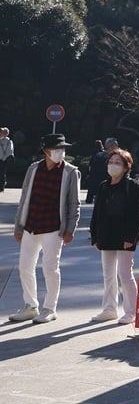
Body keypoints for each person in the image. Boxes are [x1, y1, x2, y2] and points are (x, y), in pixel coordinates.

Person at [9, 134, 81, 324]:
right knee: (25, 267)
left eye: (62, 149)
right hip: (31, 225)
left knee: (50, 268)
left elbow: (74, 203)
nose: (61, 152)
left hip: (53, 227)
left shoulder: (70, 172)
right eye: (57, 149)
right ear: (46, 151)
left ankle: (49, 308)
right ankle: (30, 305)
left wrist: (70, 229)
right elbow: (25, 197)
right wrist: (18, 225)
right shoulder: (34, 168)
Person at [89, 148, 139, 324]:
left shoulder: (133, 187)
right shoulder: (103, 186)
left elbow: (137, 215)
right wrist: (95, 236)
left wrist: (131, 237)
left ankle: (131, 311)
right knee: (108, 275)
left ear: (126, 167)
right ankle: (109, 309)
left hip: (125, 237)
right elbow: (97, 213)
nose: (113, 165)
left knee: (125, 274)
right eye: (111, 162)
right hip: (106, 236)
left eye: (118, 163)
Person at [85, 140, 107, 204]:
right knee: (100, 186)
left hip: (94, 172)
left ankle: (89, 200)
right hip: (102, 172)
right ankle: (99, 199)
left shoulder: (94, 153)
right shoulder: (104, 153)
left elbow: (90, 165)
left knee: (91, 187)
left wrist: (89, 173)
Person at [0, 127, 13, 192]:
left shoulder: (9, 141)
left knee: (2, 173)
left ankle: (1, 186)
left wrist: (3, 158)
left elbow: (9, 151)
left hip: (3, 160)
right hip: (2, 159)